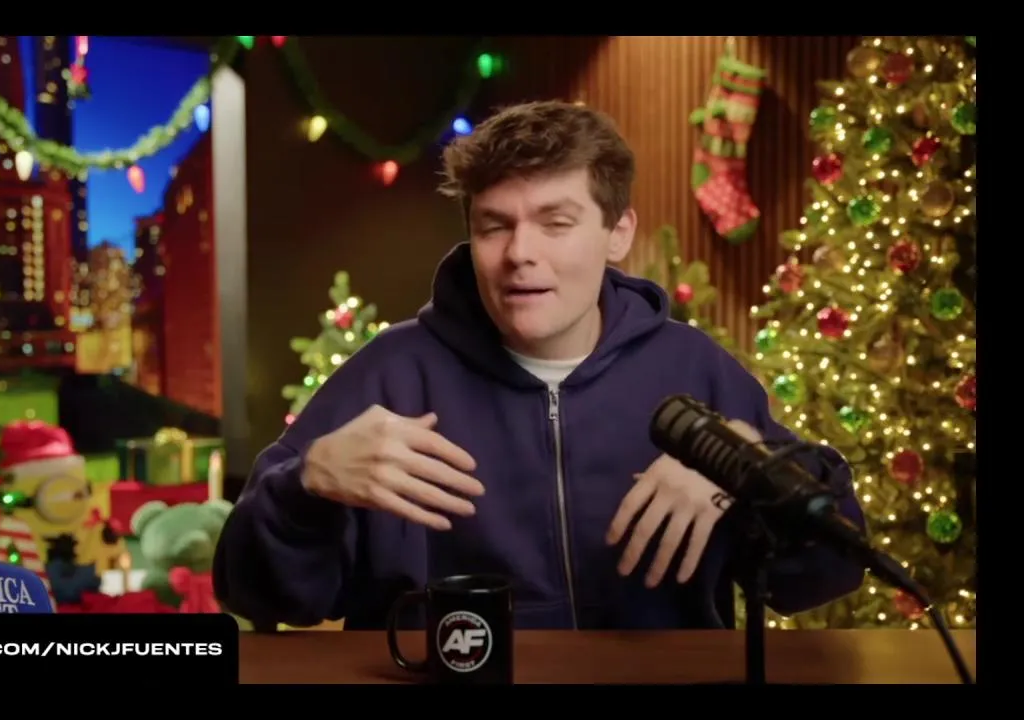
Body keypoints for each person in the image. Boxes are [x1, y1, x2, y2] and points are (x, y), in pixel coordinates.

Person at [213, 100, 866, 631]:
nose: (520, 253)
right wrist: (305, 487)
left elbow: (826, 573)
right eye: (494, 226)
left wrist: (750, 468)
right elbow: (255, 594)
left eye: (556, 222)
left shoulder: (695, 370)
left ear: (618, 234)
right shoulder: (388, 376)